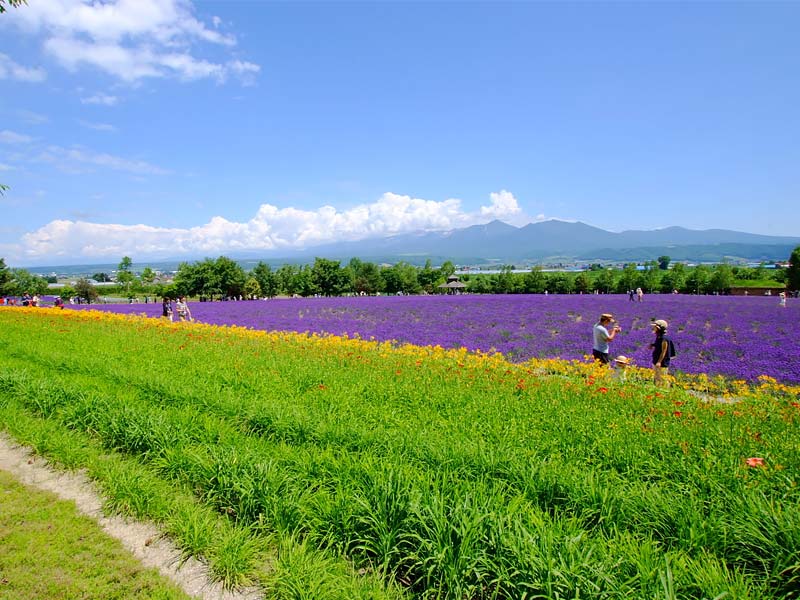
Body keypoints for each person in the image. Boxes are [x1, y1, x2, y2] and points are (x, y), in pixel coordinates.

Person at [650, 319, 675, 386]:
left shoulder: (664, 339)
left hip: (662, 363)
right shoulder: (659, 337)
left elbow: (664, 351)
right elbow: (659, 345)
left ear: (658, 328)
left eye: (654, 327)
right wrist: (653, 345)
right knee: (657, 377)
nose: (653, 328)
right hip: (656, 360)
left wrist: (659, 362)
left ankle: (664, 390)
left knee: (662, 378)